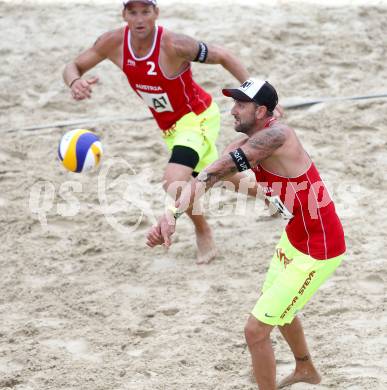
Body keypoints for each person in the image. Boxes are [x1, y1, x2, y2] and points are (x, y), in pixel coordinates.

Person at [146, 79, 346, 389]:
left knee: (255, 330)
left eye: (241, 105)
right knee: (278, 309)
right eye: (234, 103)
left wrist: (186, 198)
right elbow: (206, 177)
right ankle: (306, 369)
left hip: (320, 247)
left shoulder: (278, 136)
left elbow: (217, 170)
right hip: (295, 236)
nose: (233, 110)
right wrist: (170, 215)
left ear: (262, 110)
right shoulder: (243, 145)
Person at [62, 0, 257, 264]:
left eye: (146, 11)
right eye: (133, 12)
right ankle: (274, 195)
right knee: (214, 174)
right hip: (170, 129)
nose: (140, 18)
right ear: (124, 15)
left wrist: (254, 95)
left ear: (156, 13)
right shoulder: (113, 43)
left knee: (174, 180)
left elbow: (223, 56)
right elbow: (73, 66)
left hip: (197, 117)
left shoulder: (174, 44)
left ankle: (203, 231)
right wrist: (75, 82)